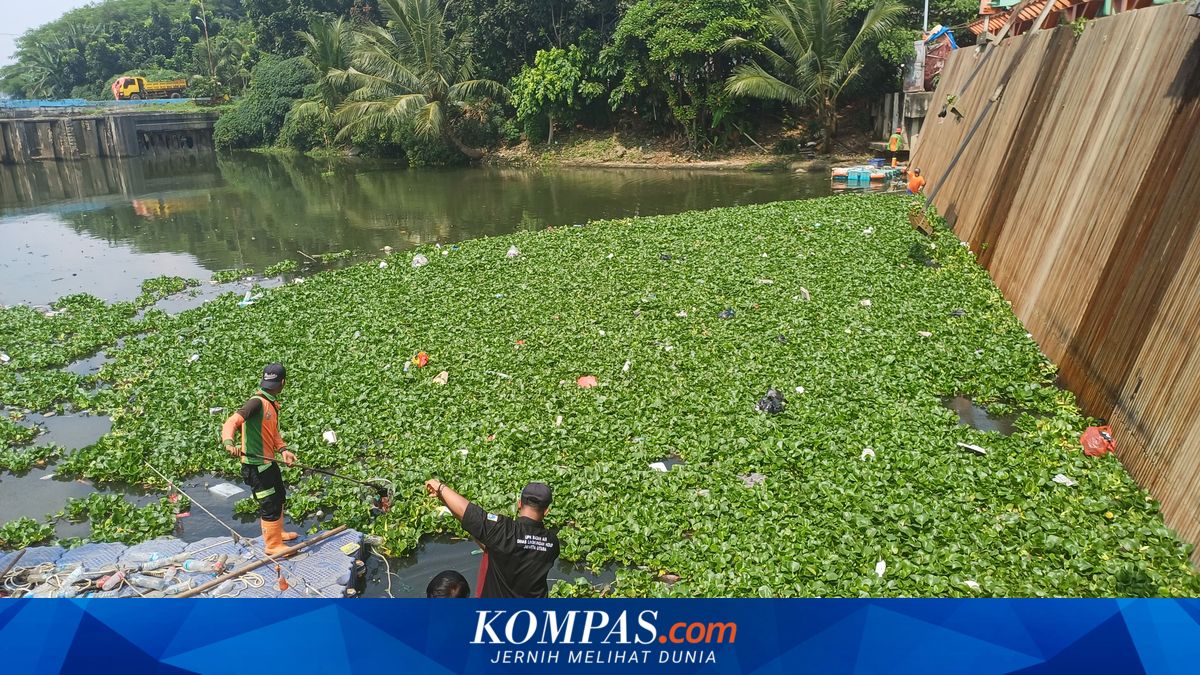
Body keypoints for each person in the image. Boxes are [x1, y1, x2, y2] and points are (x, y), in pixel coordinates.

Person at [424, 479, 559, 598]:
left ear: (519, 504)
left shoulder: (504, 530)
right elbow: (510, 547)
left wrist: (440, 488)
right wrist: (444, 498)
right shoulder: (552, 543)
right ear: (546, 511)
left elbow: (470, 513)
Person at [221, 363, 297, 556]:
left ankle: (278, 534)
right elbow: (231, 422)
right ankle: (273, 546)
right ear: (283, 383)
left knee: (279, 497)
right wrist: (229, 442)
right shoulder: (255, 403)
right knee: (269, 504)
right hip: (255, 467)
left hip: (268, 462)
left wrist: (283, 450)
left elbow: (272, 432)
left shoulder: (271, 403)